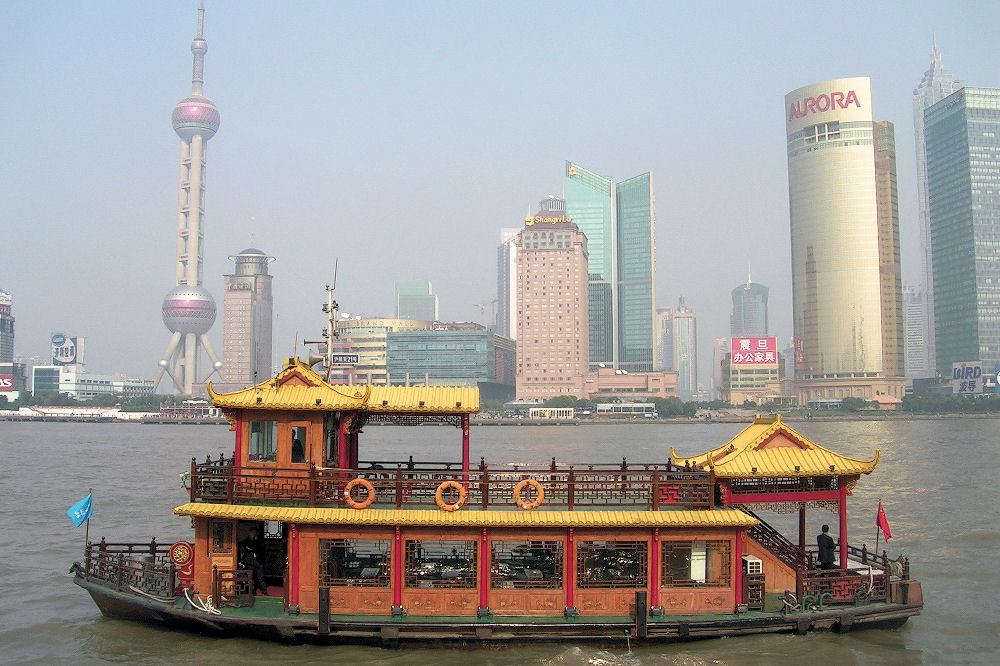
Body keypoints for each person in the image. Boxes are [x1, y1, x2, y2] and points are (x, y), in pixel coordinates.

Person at [239, 527, 268, 595]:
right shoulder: (245, 542)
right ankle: (252, 592)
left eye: (255, 533)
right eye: (252, 532)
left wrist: (256, 540)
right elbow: (243, 551)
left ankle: (264, 591)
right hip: (249, 562)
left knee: (260, 577)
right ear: (249, 533)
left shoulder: (258, 541)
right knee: (251, 578)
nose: (253, 534)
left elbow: (261, 550)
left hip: (258, 561)